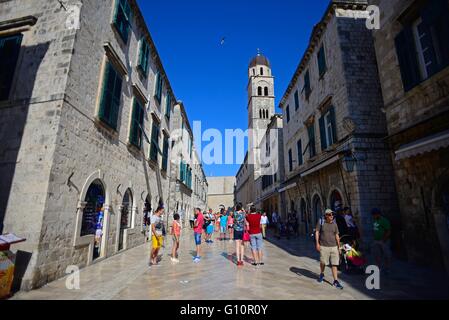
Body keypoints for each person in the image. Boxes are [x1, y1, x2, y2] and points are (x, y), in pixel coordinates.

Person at [315, 209, 344, 289]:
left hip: (334, 247)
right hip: (324, 246)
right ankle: (322, 273)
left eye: (332, 215)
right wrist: (317, 243)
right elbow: (317, 232)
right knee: (323, 262)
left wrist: (339, 247)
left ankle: (335, 281)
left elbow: (337, 235)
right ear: (326, 215)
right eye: (330, 215)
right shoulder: (321, 222)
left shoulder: (335, 224)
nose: (332, 216)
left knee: (334, 264)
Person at [371, 208, 392, 274]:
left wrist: (384, 239)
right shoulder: (374, 220)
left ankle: (387, 268)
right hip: (376, 240)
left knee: (386, 255)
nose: (373, 216)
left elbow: (388, 231)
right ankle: (379, 268)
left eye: (374, 215)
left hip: (383, 241)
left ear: (378, 214)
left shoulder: (384, 221)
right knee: (377, 255)